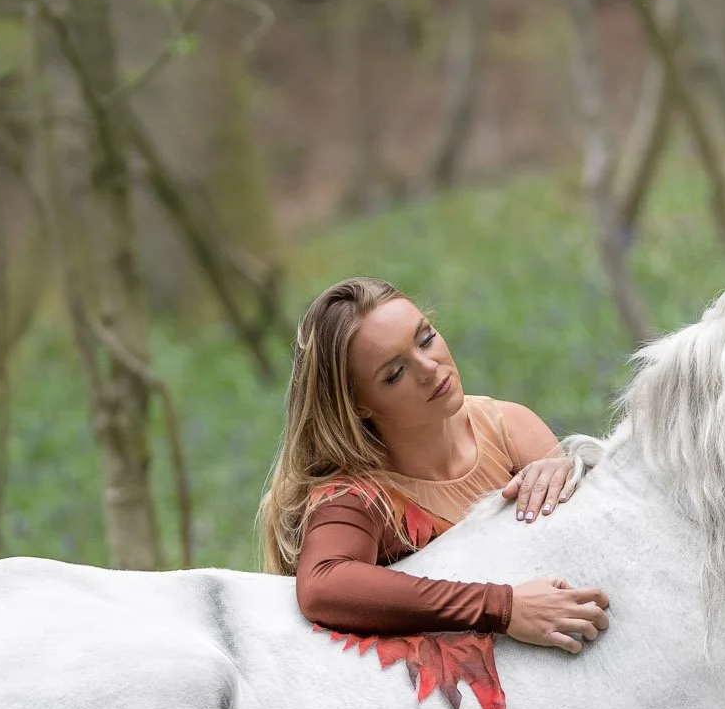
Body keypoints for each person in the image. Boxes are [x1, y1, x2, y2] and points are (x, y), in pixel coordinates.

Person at [258, 277, 611, 655]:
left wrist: (574, 467)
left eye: (425, 338)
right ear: (359, 404)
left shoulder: (508, 426)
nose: (429, 367)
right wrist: (502, 608)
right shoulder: (356, 496)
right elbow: (323, 585)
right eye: (394, 374)